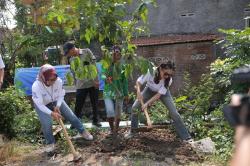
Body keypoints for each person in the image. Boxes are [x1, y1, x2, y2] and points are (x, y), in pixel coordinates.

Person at [125, 61, 192, 142]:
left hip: (163, 93)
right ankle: (133, 132)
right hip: (149, 90)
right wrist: (138, 92)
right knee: (135, 107)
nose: (167, 76)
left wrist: (147, 103)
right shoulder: (150, 71)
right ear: (160, 69)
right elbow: (138, 82)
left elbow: (158, 95)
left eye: (170, 75)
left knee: (174, 112)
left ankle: (186, 137)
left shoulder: (169, 80)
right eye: (166, 73)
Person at [32, 64, 93, 152]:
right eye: (51, 79)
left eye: (55, 78)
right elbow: (40, 105)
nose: (53, 81)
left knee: (70, 115)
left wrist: (58, 106)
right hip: (42, 105)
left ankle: (83, 132)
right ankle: (50, 143)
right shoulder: (36, 86)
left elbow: (61, 95)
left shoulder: (58, 81)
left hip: (56, 101)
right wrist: (52, 113)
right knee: (47, 123)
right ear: (43, 77)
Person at [63, 42, 101, 127]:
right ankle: (75, 122)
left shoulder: (87, 52)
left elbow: (94, 65)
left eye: (68, 52)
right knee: (78, 105)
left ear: (73, 48)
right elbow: (73, 72)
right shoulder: (71, 59)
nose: (69, 55)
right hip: (81, 85)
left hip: (92, 83)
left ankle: (96, 121)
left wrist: (96, 81)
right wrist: (76, 85)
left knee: (94, 103)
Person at [102, 45, 128, 136]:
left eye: (118, 52)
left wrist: (126, 94)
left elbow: (125, 81)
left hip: (119, 91)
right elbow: (103, 74)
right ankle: (112, 129)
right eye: (114, 52)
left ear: (121, 54)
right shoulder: (107, 64)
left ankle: (116, 130)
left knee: (118, 112)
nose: (116, 54)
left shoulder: (123, 66)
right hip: (108, 91)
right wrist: (106, 78)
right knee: (110, 111)